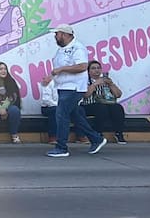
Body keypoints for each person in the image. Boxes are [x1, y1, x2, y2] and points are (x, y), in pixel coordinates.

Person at [42, 24, 105, 157]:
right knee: (75, 116)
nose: (55, 37)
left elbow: (82, 66)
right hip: (63, 87)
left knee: (61, 115)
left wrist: (61, 69)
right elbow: (59, 68)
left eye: (57, 34)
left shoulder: (77, 48)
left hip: (73, 88)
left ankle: (61, 147)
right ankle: (96, 139)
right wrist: (51, 77)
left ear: (65, 34)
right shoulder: (61, 50)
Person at [82, 60, 126, 144]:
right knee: (101, 108)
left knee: (118, 107)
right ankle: (98, 132)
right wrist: (95, 84)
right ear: (88, 71)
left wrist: (111, 84)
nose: (96, 70)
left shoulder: (106, 80)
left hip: (107, 103)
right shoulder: (85, 80)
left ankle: (119, 133)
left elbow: (118, 94)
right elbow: (85, 95)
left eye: (98, 68)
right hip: (89, 104)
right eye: (93, 68)